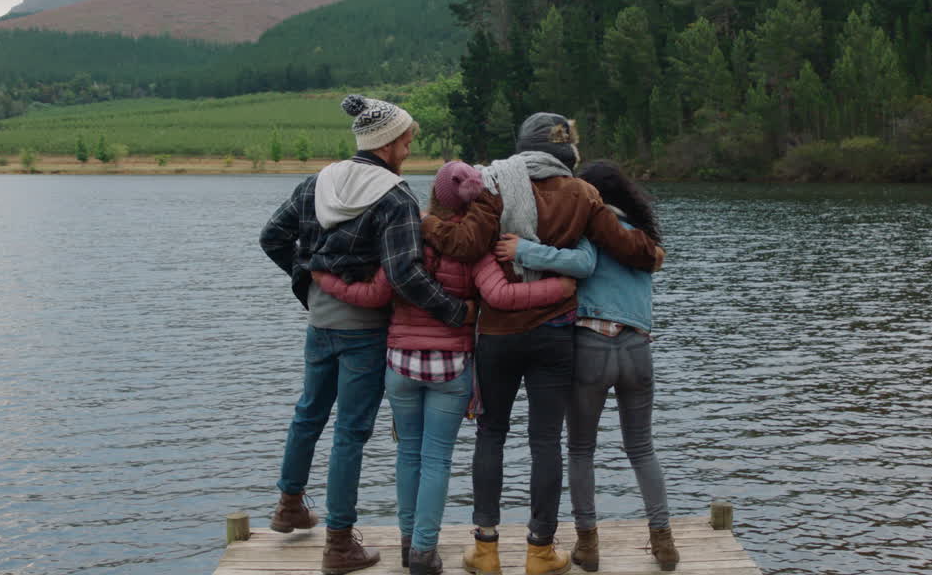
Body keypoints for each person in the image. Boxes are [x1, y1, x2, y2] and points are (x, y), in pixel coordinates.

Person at [419, 113, 664, 575]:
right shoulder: (583, 194)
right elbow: (624, 246)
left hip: (498, 335)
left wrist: (428, 222)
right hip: (554, 334)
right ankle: (539, 551)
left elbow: (469, 243)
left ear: (523, 147)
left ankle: (486, 549)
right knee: (547, 441)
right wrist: (652, 254)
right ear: (565, 154)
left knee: (491, 434)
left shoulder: (495, 182)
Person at [314, 160, 577, 575]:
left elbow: (376, 293)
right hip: (450, 366)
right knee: (436, 459)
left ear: (435, 195)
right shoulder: (474, 248)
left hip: (400, 362)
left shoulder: (405, 235)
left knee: (408, 455)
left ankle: (405, 545)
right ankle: (423, 553)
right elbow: (501, 295)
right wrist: (559, 288)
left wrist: (323, 280)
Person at [259, 94, 475, 575]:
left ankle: (289, 504)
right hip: (365, 332)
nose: (409, 146)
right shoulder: (395, 197)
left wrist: (307, 280)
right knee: (351, 434)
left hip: (320, 321)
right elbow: (404, 277)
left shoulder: (319, 181)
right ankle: (339, 545)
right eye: (408, 139)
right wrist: (457, 312)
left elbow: (272, 237)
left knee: (308, 412)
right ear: (392, 141)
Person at [493, 160, 677, 572]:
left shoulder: (591, 226)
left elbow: (580, 263)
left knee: (580, 448)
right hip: (637, 347)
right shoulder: (641, 237)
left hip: (592, 342)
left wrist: (522, 249)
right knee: (642, 447)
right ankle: (663, 541)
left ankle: (588, 545)